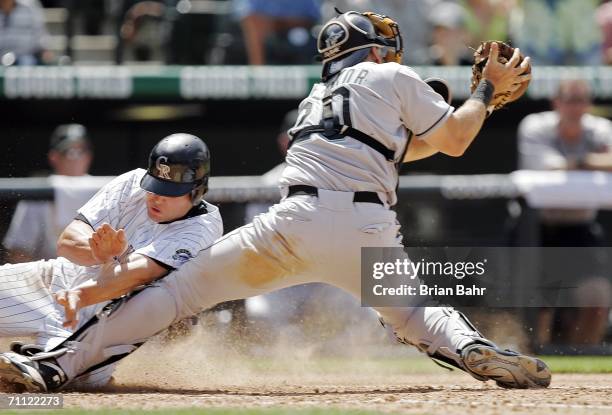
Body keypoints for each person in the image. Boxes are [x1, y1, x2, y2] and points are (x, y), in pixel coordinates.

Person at [0, 11, 550, 392]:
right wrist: (482, 96)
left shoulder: (316, 99)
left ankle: (54, 368)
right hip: (367, 231)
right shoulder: (389, 72)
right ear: (374, 49)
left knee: (176, 294)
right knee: (414, 313)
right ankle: (473, 348)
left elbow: (418, 146)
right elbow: (451, 141)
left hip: (294, 225)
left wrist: (475, 108)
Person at [0, 133, 222, 388]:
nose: (156, 197)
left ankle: (59, 367)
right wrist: (97, 253)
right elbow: (68, 241)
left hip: (104, 316)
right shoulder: (132, 183)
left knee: (35, 379)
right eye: (155, 186)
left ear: (196, 192)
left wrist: (85, 291)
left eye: (169, 192)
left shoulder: (203, 226)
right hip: (57, 280)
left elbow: (139, 274)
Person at [518, 79, 612, 348]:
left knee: (597, 300)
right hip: (537, 230)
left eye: (581, 100)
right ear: (556, 103)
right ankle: (535, 359)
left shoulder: (600, 129)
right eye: (570, 100)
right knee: (539, 309)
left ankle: (579, 360)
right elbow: (547, 168)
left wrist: (579, 162)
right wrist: (594, 163)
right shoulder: (535, 126)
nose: (576, 108)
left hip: (579, 229)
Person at [3, 124, 94, 263]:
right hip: (50, 273)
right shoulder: (38, 191)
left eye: (80, 151)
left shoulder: (104, 188)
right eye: (68, 151)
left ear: (89, 156)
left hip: (96, 275)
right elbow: (19, 251)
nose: (74, 157)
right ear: (54, 157)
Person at [0, 0, 50, 65]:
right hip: (1, 55)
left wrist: (44, 50)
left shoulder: (30, 5)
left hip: (25, 56)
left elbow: (40, 33)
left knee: (27, 62)